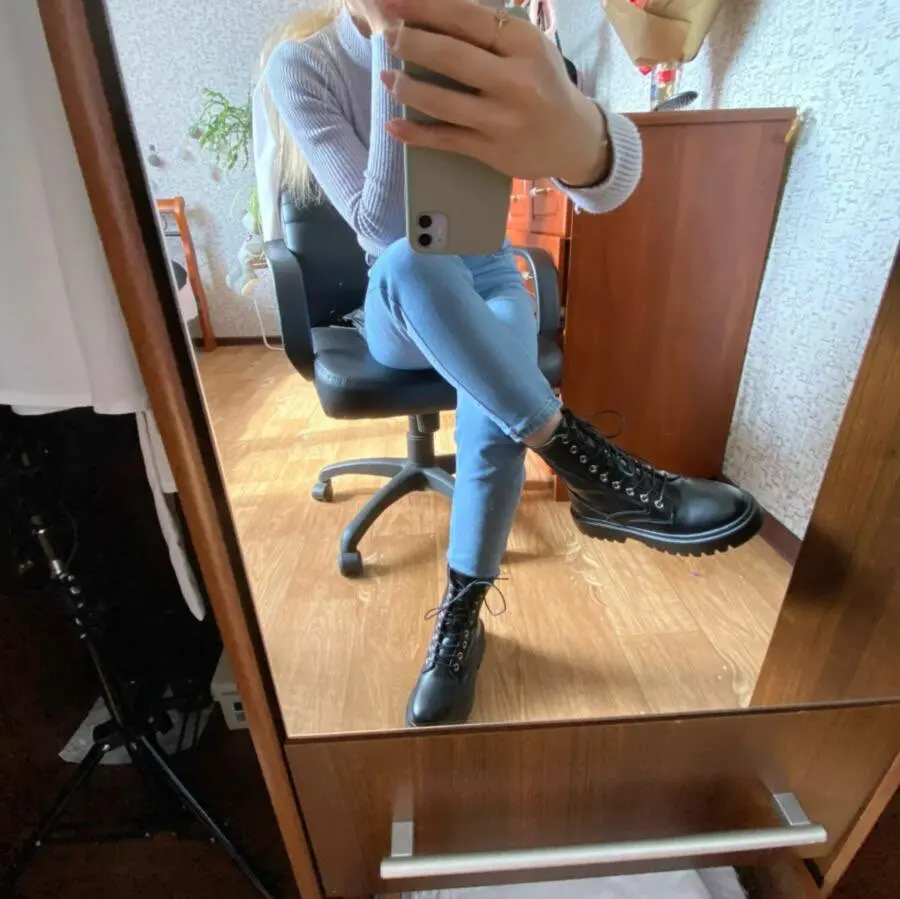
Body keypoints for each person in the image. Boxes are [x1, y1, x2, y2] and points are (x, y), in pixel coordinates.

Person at [258, 0, 762, 727]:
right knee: (409, 260)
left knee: (494, 407)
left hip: (491, 275)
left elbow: (609, 176)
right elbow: (382, 226)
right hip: (400, 300)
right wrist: (397, 43)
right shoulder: (303, 65)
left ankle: (461, 617)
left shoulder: (485, 28)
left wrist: (584, 141)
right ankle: (592, 467)